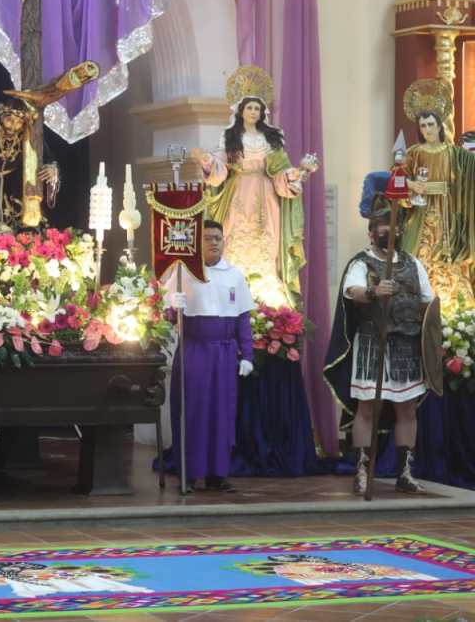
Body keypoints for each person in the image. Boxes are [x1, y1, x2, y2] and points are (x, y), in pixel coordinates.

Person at [324, 183, 436, 496]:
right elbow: (352, 291)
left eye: (393, 226)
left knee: (407, 409)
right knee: (367, 408)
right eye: (382, 227)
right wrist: (374, 292)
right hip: (374, 342)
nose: (389, 230)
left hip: (407, 343)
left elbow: (429, 301)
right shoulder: (362, 262)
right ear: (372, 233)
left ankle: (404, 470)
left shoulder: (413, 264)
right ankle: (361, 468)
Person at [189, 66, 315, 308]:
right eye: (250, 107)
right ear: (241, 110)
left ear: (262, 111)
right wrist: (206, 161)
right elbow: (220, 171)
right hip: (237, 194)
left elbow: (280, 171)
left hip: (266, 195)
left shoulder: (273, 137)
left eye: (258, 108)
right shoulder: (230, 137)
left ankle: (267, 302)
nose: (254, 112)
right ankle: (231, 295)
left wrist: (299, 171)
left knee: (266, 243)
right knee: (234, 238)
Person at [164, 219, 255, 492]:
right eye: (208, 238)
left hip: (225, 352)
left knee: (222, 413)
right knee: (193, 412)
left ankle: (218, 474)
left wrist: (247, 355)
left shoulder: (234, 275)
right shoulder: (183, 272)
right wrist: (172, 307)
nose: (214, 242)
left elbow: (243, 318)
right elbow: (169, 317)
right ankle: (189, 474)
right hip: (195, 349)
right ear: (197, 242)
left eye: (218, 237)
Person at [400, 80, 475, 311]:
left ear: (440, 125)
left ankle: (451, 304)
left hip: (448, 215)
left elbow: (469, 175)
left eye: (431, 124)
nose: (427, 130)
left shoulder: (454, 154)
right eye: (423, 126)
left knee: (448, 257)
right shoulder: (413, 153)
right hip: (420, 215)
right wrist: (412, 184)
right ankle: (420, 302)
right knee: (420, 256)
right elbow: (395, 181)